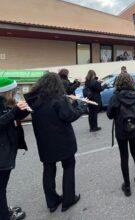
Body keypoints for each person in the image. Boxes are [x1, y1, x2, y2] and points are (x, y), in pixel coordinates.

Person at [25, 73, 87, 213]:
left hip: (44, 141)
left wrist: (71, 103)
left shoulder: (34, 99)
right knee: (69, 166)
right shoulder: (58, 98)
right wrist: (81, 108)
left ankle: (52, 202)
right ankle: (68, 200)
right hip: (63, 140)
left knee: (48, 169)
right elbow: (69, 116)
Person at [107, 73, 135, 197]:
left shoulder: (115, 97)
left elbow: (109, 115)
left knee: (124, 157)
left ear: (118, 82)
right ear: (130, 82)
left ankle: (127, 186)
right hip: (134, 130)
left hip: (121, 131)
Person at [0, 77, 28, 220]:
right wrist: (14, 111)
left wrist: (23, 111)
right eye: (12, 91)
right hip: (2, 152)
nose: (14, 93)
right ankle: (5, 216)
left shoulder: (5, 103)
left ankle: (3, 209)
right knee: (0, 187)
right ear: (5, 92)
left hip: (5, 150)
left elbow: (12, 117)